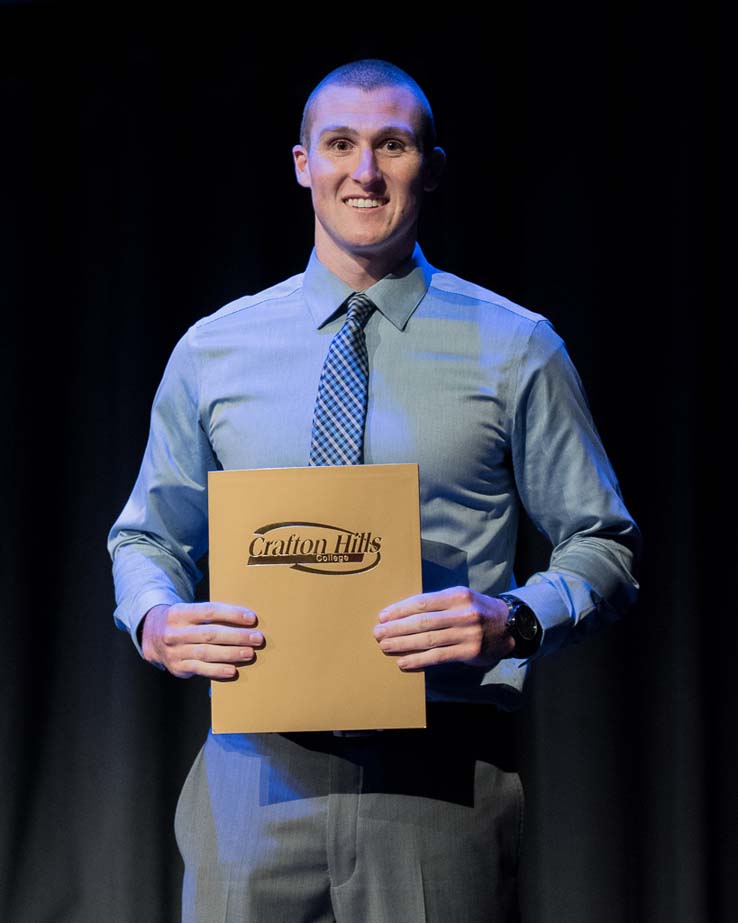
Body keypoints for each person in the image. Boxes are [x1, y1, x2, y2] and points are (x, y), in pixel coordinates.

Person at [108, 58, 640, 922]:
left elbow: (604, 542)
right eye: (341, 144)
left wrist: (517, 617)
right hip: (252, 773)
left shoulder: (516, 346)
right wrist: (157, 620)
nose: (364, 171)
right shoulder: (215, 349)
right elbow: (146, 538)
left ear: (427, 166)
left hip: (439, 777)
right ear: (301, 163)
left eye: (391, 145)